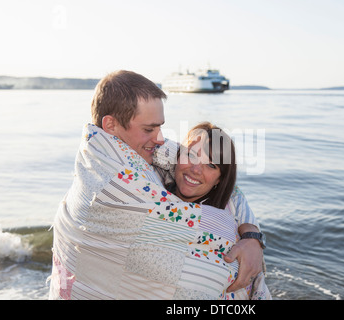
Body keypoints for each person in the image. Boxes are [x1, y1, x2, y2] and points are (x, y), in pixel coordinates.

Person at [48, 70, 266, 299]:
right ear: (111, 125)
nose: (160, 138)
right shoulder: (106, 178)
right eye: (149, 129)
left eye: (160, 127)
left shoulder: (147, 156)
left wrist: (252, 236)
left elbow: (233, 192)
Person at [153, 121, 271, 299]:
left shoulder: (229, 211)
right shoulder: (152, 184)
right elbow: (146, 142)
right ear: (178, 156)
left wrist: (253, 238)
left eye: (211, 165)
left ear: (219, 180)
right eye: (191, 156)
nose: (195, 169)